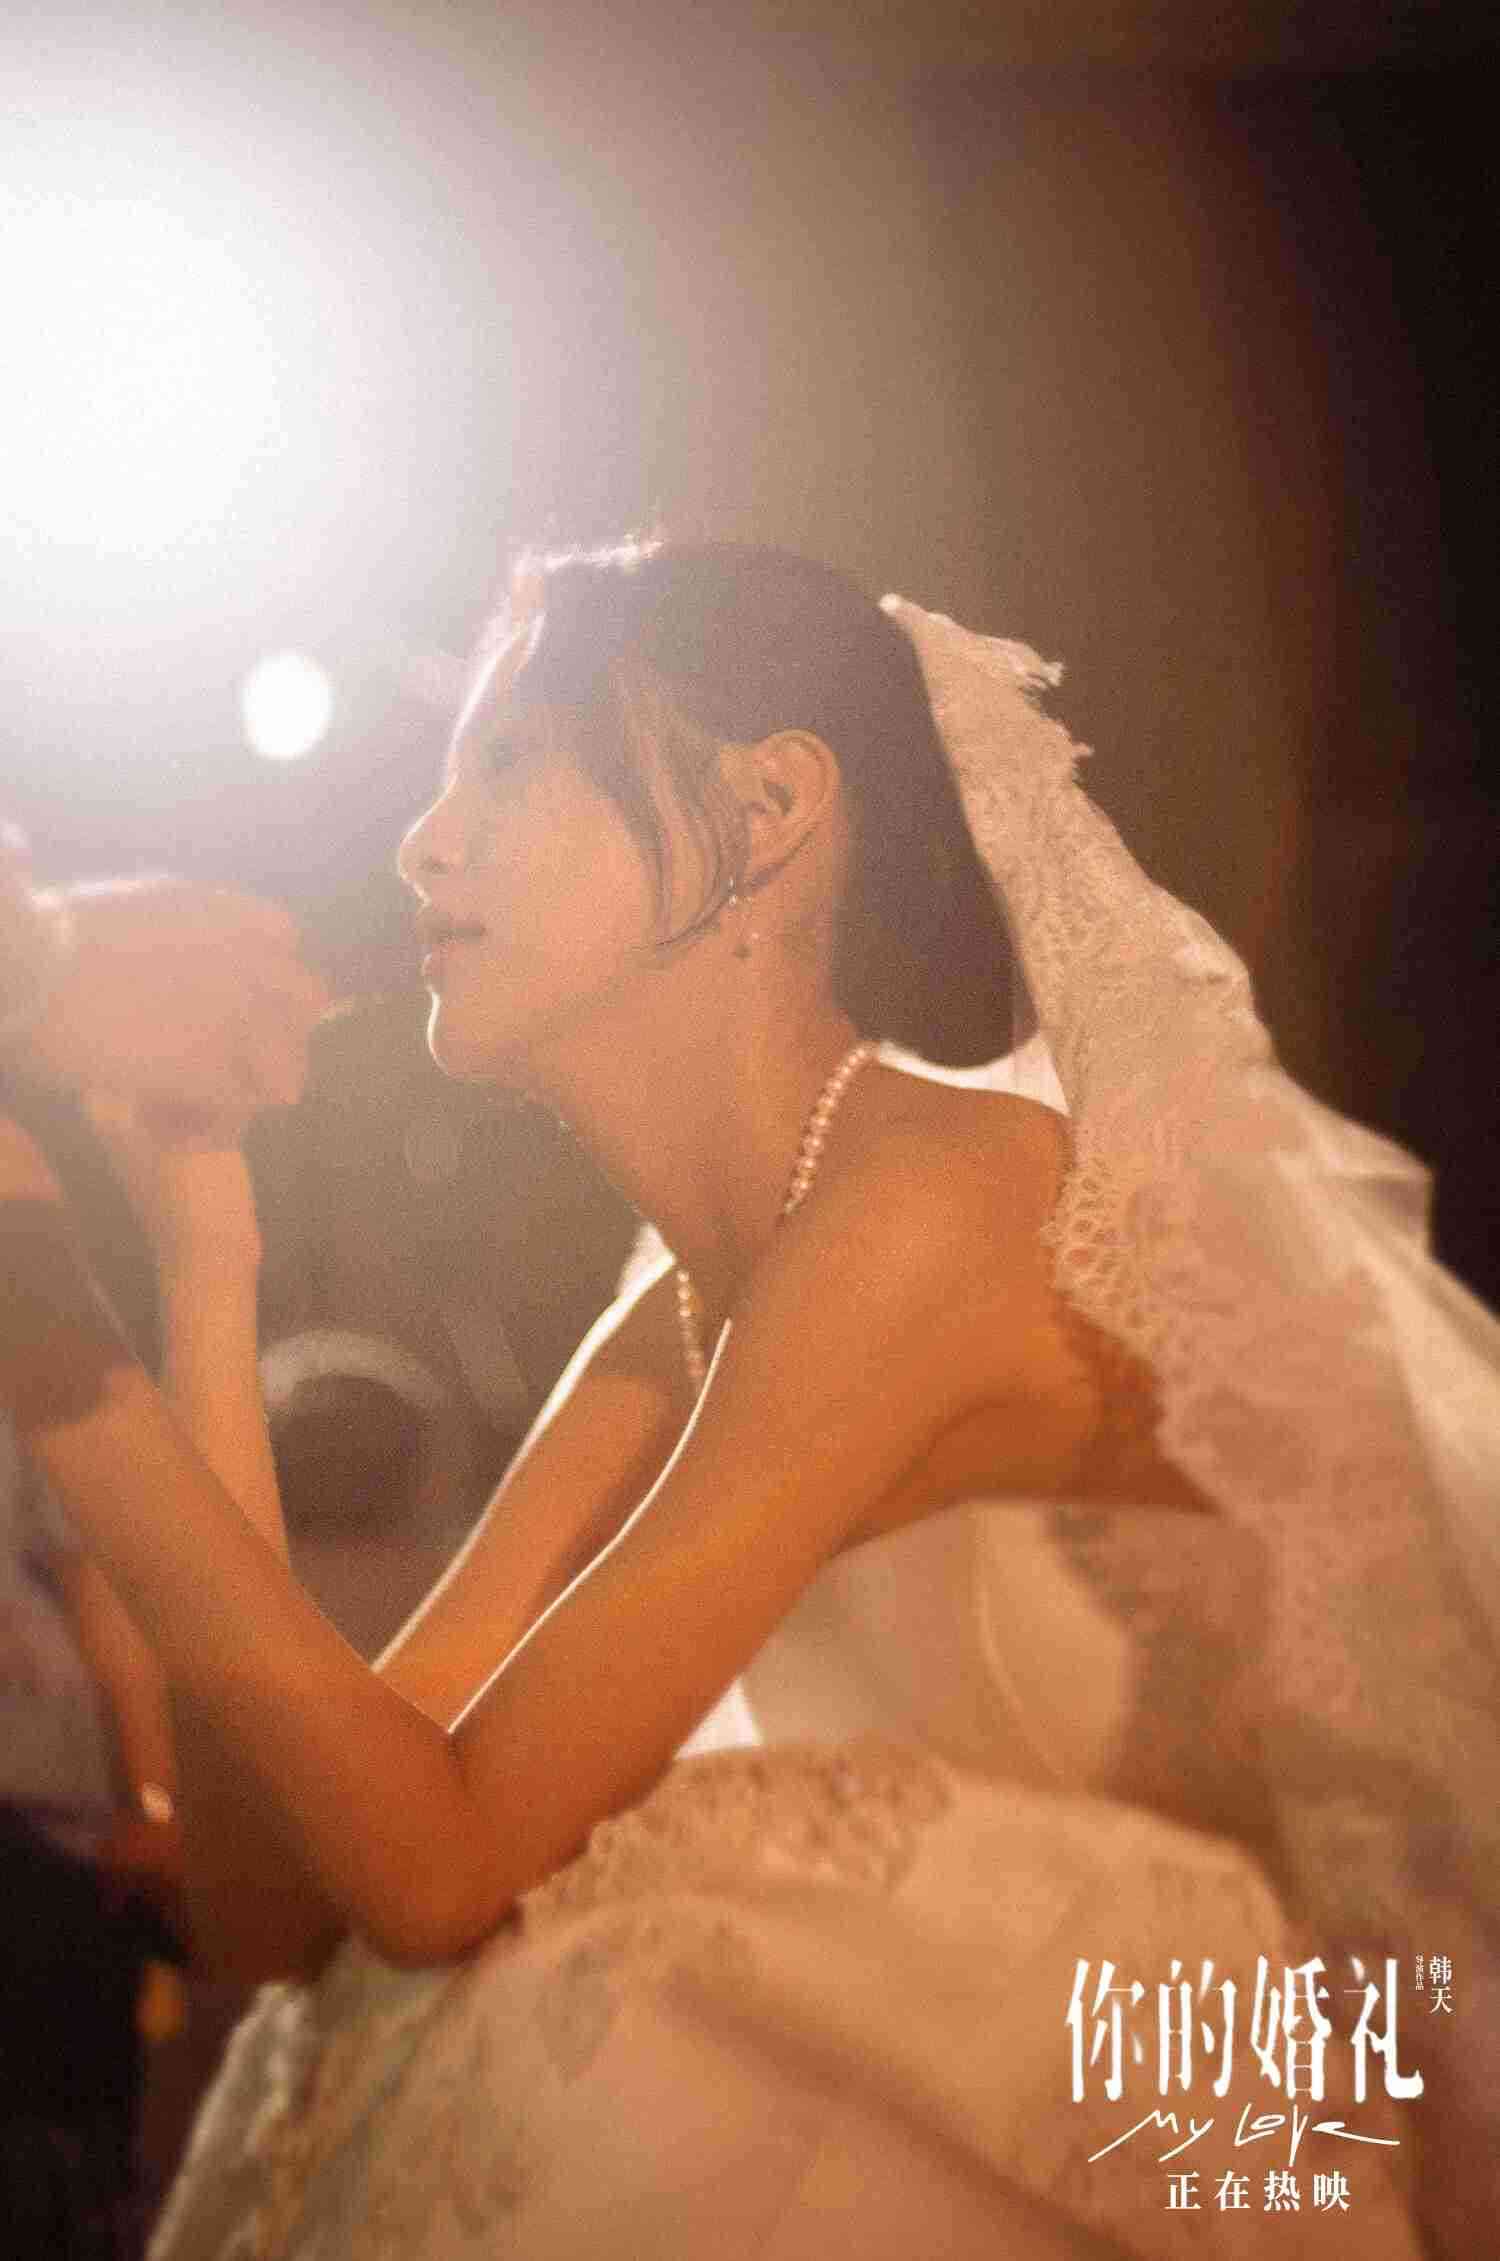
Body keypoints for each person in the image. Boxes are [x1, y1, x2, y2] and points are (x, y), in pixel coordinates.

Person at [1, 543, 1496, 2261]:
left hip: (1213, 2106)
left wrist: (39, 1327)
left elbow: (439, 1866)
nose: (421, 841)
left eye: (507, 761)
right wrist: (204, 1263)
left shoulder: (939, 1201)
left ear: (770, 806)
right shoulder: (677, 1312)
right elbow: (279, 1903)